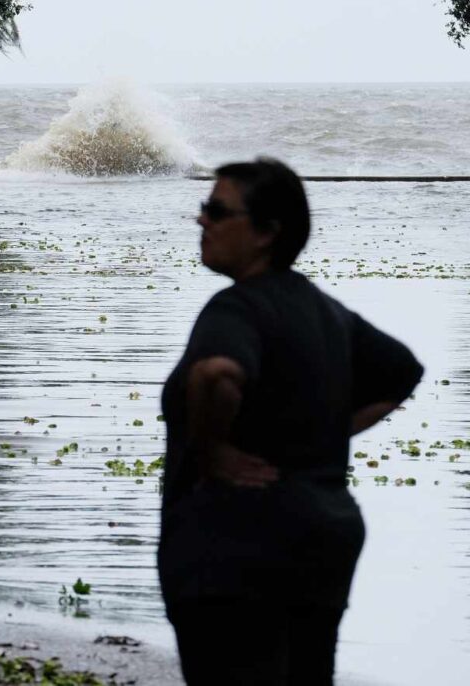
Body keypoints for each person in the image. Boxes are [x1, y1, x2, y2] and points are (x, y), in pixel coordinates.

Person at [157, 158, 424, 686]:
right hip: (323, 541)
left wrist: (211, 451)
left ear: (266, 233)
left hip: (235, 547)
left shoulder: (235, 309)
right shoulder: (324, 310)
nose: (201, 221)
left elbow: (215, 374)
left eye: (216, 210)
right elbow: (402, 371)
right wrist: (324, 432)